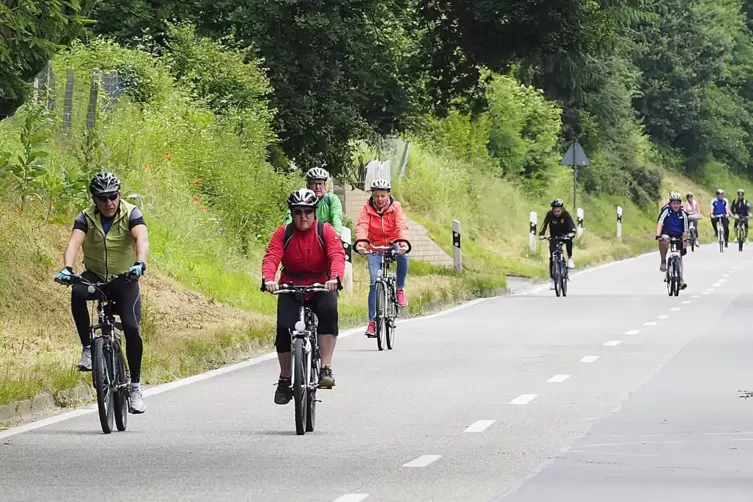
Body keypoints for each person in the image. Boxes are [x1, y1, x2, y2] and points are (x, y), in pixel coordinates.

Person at [54, 172, 150, 414]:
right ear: (94, 200)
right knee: (77, 291)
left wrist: (140, 262)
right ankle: (88, 348)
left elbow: (142, 239)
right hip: (96, 274)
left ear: (120, 195)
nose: (109, 203)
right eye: (102, 198)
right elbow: (74, 243)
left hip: (124, 277)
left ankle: (135, 387)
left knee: (131, 327)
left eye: (113, 197)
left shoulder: (131, 213)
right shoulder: (86, 217)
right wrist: (67, 268)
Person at [262, 188, 345, 404]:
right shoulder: (284, 233)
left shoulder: (324, 230)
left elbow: (337, 254)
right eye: (298, 212)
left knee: (328, 312)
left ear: (314, 212)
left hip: (321, 283)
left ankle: (325, 367)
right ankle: (285, 377)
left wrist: (335, 278)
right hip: (291, 284)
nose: (303, 217)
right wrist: (268, 279)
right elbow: (272, 256)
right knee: (283, 329)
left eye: (308, 211)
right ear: (292, 213)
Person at [354, 179, 410, 337]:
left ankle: (399, 288)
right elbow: (362, 226)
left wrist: (403, 243)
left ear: (388, 195)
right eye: (376, 195)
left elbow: (401, 226)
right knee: (374, 282)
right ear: (372, 195)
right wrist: (361, 243)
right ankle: (372, 322)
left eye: (382, 195)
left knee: (404, 256)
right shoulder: (367, 208)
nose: (379, 199)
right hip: (374, 246)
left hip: (393, 243)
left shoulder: (396, 207)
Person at [284, 167, 343, 237]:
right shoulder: (301, 199)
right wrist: (286, 233)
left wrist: (336, 234)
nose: (318, 187)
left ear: (325, 185)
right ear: (308, 185)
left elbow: (336, 217)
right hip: (305, 236)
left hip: (327, 235)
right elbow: (290, 216)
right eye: (314, 184)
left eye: (320, 183)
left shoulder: (331, 199)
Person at [538, 199, 576, 290]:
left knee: (569, 241)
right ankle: (553, 280)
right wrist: (542, 234)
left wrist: (572, 232)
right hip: (554, 236)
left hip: (565, 234)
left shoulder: (566, 215)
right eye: (555, 211)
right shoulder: (550, 215)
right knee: (552, 257)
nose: (557, 213)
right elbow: (544, 225)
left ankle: (570, 258)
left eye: (558, 211)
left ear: (562, 209)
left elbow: (571, 225)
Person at [656, 192, 689, 288]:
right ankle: (663, 260)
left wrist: (684, 243)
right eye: (674, 203)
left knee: (680, 256)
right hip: (667, 232)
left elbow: (685, 230)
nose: (676, 205)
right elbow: (660, 223)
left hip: (679, 234)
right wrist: (658, 235)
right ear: (670, 203)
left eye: (677, 203)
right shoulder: (666, 211)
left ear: (680, 204)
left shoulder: (683, 213)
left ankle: (681, 278)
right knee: (664, 241)